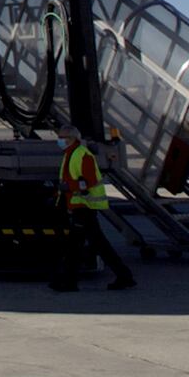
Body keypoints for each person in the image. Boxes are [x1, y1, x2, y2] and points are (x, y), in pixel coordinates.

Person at [50, 124, 136, 292]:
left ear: (72, 138)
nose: (59, 140)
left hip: (85, 206)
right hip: (78, 206)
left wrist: (69, 187)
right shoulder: (70, 154)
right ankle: (71, 281)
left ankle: (70, 281)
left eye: (62, 137)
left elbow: (89, 181)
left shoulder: (82, 155)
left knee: (82, 245)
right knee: (83, 245)